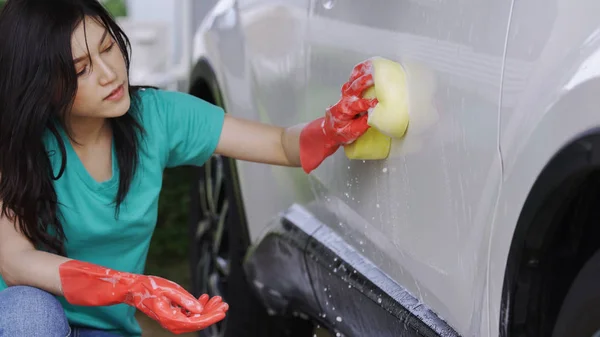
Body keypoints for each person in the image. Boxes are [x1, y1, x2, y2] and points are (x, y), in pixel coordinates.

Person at [0, 0, 377, 336]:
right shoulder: (16, 146)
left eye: (108, 47)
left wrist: (327, 130)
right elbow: (16, 263)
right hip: (20, 322)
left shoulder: (156, 117)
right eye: (81, 70)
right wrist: (130, 288)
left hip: (105, 327)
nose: (108, 73)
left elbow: (279, 143)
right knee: (29, 314)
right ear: (42, 85)